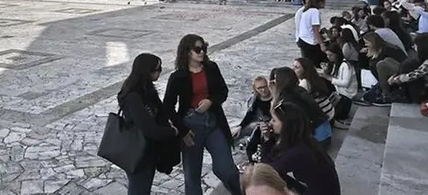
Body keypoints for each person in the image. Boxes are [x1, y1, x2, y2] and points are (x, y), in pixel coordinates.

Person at [164, 34, 242, 195]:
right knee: (192, 176)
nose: (202, 52)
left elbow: (223, 91)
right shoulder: (178, 77)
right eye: (197, 49)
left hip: (213, 121)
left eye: (204, 48)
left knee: (226, 169)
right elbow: (168, 107)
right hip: (191, 126)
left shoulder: (211, 68)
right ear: (187, 52)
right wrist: (183, 131)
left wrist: (211, 101)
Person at [118, 54, 179, 195]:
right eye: (157, 69)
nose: (160, 71)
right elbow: (148, 128)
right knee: (139, 189)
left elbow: (161, 112)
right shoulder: (134, 96)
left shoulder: (147, 90)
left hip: (149, 151)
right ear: (147, 71)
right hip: (139, 153)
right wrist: (172, 132)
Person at [259, 102, 341, 195]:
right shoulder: (305, 140)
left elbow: (265, 170)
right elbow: (273, 160)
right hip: (325, 190)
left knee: (265, 181)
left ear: (286, 125)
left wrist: (266, 140)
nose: (270, 123)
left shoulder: (297, 152)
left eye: (274, 120)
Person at [268, 67, 331, 149]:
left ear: (282, 81)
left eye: (276, 79)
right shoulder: (299, 90)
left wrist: (274, 95)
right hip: (325, 133)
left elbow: (279, 119)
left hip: (317, 140)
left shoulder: (287, 101)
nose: (273, 82)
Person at [321, 44, 357, 126]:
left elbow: (345, 83)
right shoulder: (335, 64)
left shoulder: (345, 65)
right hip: (339, 92)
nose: (328, 57)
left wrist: (328, 77)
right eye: (327, 55)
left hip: (346, 95)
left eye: (331, 55)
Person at [297, 0, 326, 67]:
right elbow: (315, 29)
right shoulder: (314, 11)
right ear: (319, 2)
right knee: (314, 63)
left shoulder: (306, 11)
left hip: (303, 39)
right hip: (310, 41)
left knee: (308, 63)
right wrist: (321, 44)